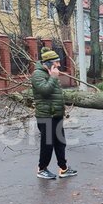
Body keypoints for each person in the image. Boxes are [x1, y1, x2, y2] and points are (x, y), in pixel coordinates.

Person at [31, 47, 78, 180]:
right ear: (49, 63)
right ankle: (42, 169)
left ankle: (63, 169)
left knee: (60, 142)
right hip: (45, 116)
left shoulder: (51, 74)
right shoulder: (38, 75)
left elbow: (55, 94)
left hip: (55, 115)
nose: (58, 64)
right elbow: (45, 91)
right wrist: (53, 77)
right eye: (56, 62)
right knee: (47, 144)